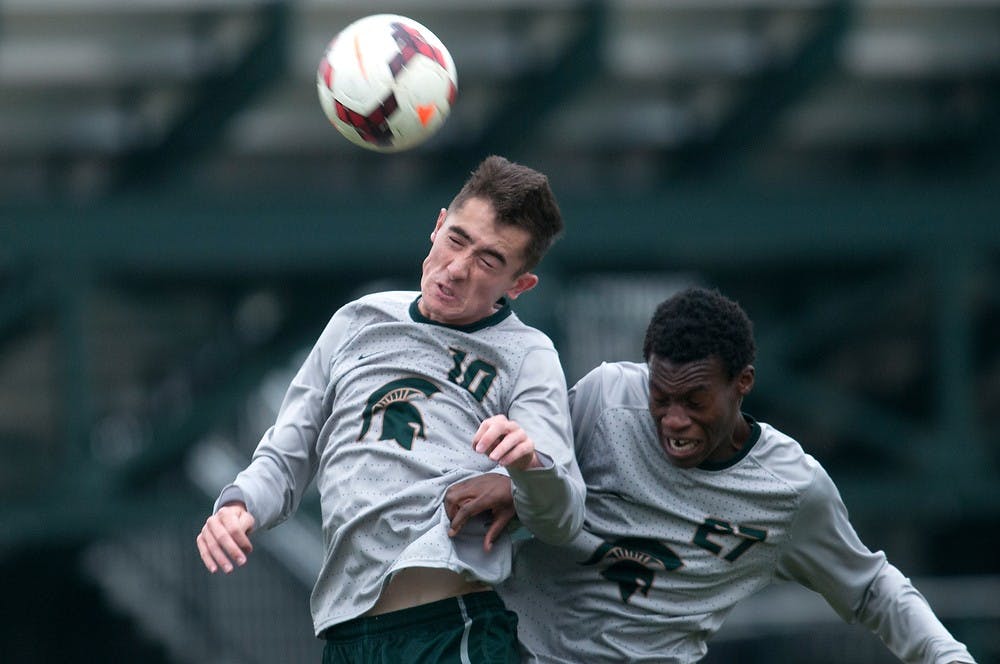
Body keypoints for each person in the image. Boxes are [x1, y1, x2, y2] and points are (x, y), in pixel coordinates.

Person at [445, 286, 977, 664]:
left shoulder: (791, 490)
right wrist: (520, 480)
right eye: (661, 396)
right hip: (509, 647)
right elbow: (546, 474)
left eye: (695, 400)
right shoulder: (606, 399)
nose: (674, 420)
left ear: (742, 383)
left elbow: (872, 590)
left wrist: (948, 656)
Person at [196, 155, 586, 663]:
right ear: (438, 224)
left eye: (489, 261)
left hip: (452, 629)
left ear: (519, 285)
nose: (458, 268)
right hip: (348, 636)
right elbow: (287, 453)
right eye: (458, 239)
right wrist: (239, 505)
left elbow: (565, 515)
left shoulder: (527, 354)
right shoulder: (356, 321)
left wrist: (528, 468)